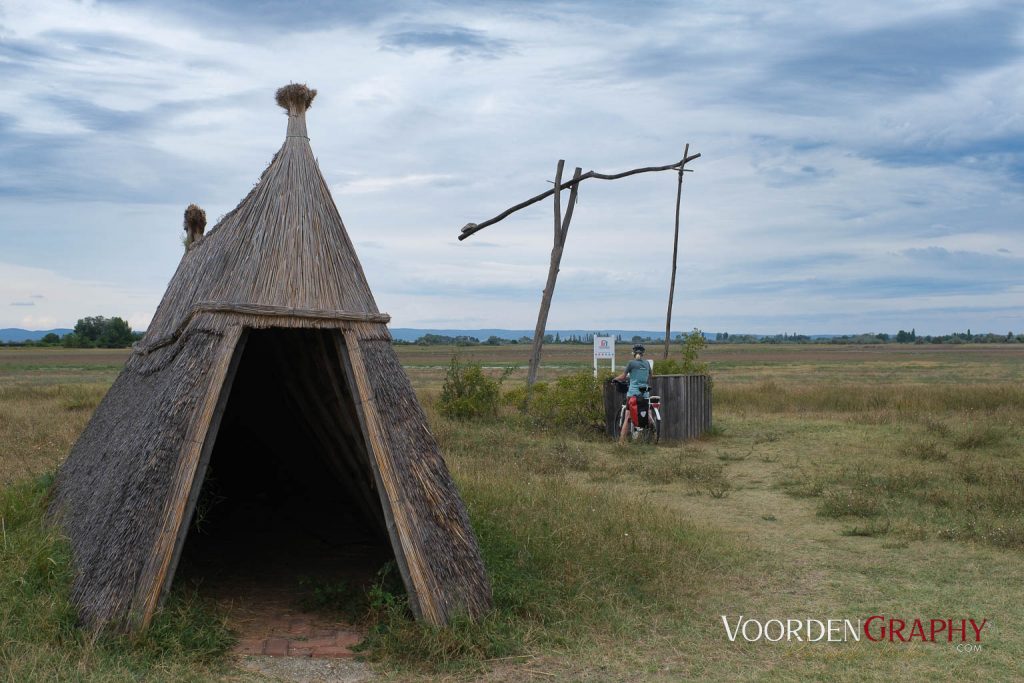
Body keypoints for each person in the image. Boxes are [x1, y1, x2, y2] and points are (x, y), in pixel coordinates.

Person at [612, 343, 654, 444]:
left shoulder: (631, 363)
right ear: (643, 353)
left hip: (633, 393)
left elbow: (623, 376)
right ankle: (653, 429)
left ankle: (621, 442)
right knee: (647, 412)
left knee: (627, 417)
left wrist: (614, 379)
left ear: (634, 353)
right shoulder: (647, 364)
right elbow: (650, 375)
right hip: (645, 393)